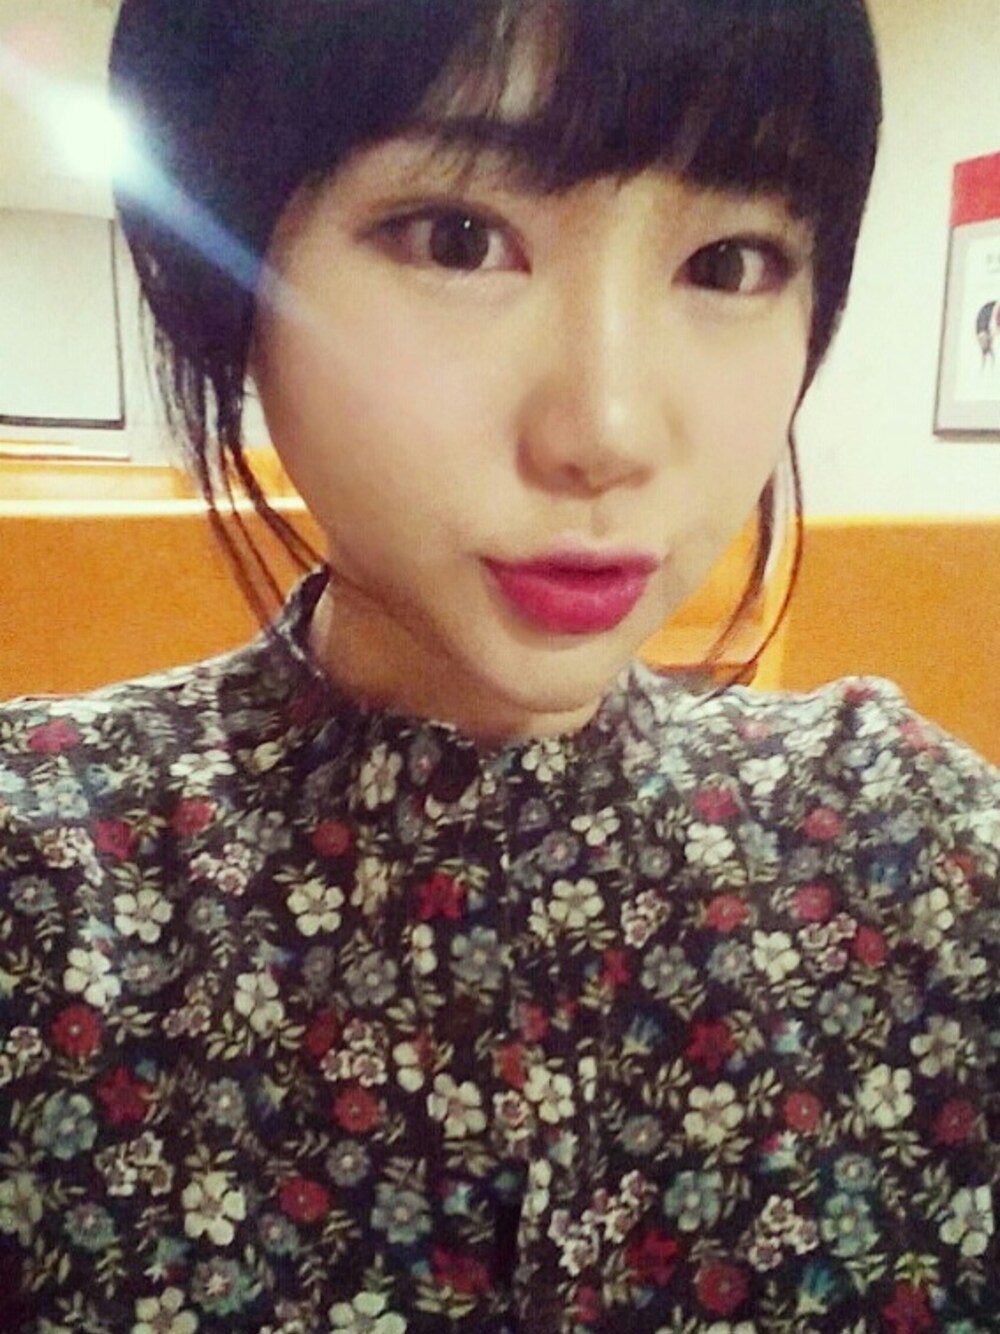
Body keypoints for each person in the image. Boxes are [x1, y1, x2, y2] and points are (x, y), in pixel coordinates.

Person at [0, 1, 997, 1331]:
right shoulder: (45, 887)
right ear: (227, 281)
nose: (608, 431)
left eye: (730, 261)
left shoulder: (910, 856)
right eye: (459, 239)